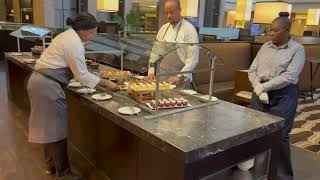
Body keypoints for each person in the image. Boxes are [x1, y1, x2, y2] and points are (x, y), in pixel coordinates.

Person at [27, 13, 119, 180]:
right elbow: (82, 75)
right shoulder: (74, 43)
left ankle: (51, 166)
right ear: (84, 31)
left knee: (47, 129)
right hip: (48, 86)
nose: (94, 35)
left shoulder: (67, 36)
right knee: (56, 130)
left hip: (39, 83)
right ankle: (64, 173)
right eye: (93, 32)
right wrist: (107, 84)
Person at [248, 12, 305, 179]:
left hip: (284, 96)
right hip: (260, 93)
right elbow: (252, 70)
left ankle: (283, 176)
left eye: (274, 30)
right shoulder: (265, 47)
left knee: (280, 136)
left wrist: (262, 87)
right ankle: (258, 169)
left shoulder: (297, 50)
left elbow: (290, 76)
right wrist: (258, 87)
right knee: (257, 132)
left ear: (286, 30)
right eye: (269, 30)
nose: (270, 33)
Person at [147, 0, 199, 89]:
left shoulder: (189, 30)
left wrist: (179, 76)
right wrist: (151, 71)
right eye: (166, 13)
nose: (169, 16)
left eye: (171, 12)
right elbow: (154, 53)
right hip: (161, 76)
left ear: (179, 10)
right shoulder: (163, 29)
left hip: (179, 79)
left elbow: (193, 59)